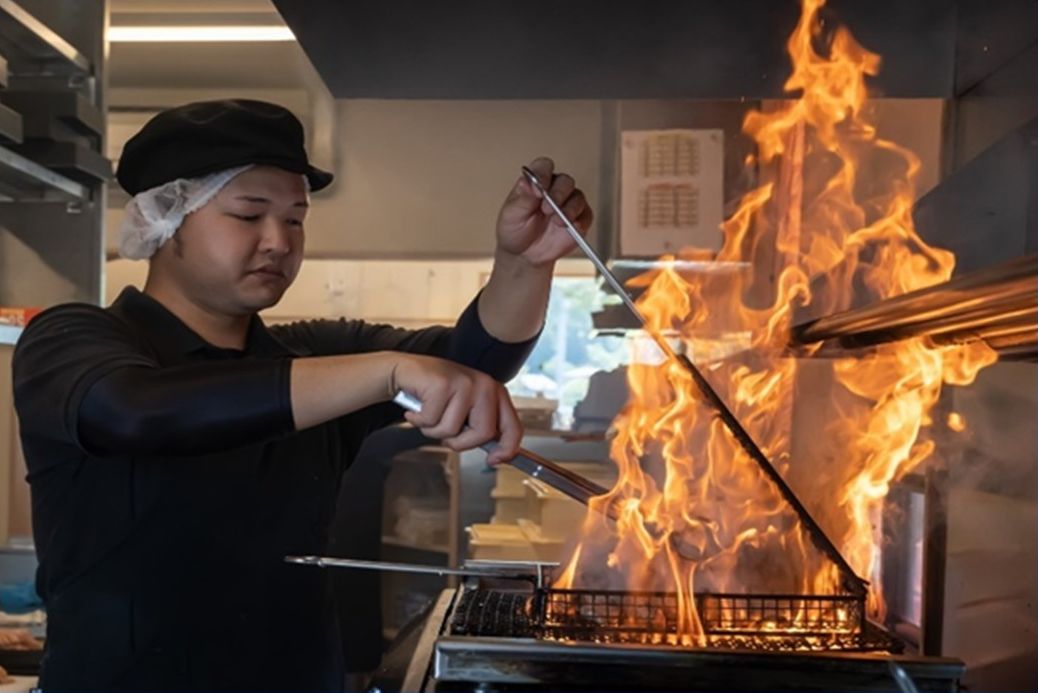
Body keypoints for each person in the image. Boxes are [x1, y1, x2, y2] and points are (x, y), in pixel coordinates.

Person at [10, 99, 592, 691]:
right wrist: (388, 371)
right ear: (165, 219)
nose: (278, 241)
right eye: (248, 214)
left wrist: (523, 265)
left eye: (294, 219)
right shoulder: (72, 338)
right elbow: (133, 410)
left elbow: (470, 366)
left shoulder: (314, 353)